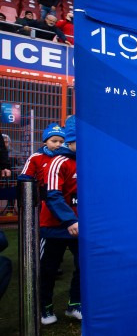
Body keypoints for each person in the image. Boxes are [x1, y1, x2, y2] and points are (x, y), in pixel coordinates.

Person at [19, 120, 80, 324]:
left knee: (84, 266)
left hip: (79, 226)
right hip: (54, 227)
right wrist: (69, 220)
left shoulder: (86, 161)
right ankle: (44, 307)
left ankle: (75, 304)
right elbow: (53, 195)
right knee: (48, 269)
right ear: (71, 141)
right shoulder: (58, 162)